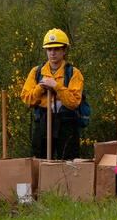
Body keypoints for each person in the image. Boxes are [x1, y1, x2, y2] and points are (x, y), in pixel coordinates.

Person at [21, 29, 84, 160]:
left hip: (66, 123)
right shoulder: (36, 72)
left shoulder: (74, 73)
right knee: (38, 159)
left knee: (68, 160)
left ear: (64, 50)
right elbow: (27, 100)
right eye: (49, 49)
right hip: (43, 121)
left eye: (56, 49)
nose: (52, 53)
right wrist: (40, 87)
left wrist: (56, 87)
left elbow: (73, 102)